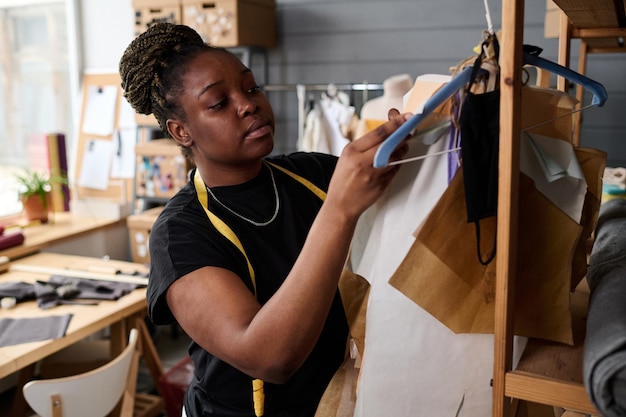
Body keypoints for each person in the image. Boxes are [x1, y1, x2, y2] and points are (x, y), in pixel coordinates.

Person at [119, 23, 411, 417]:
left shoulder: (313, 174)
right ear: (181, 130)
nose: (248, 104)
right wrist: (339, 210)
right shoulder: (180, 233)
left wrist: (413, 143)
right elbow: (268, 357)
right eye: (219, 103)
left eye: (251, 88)